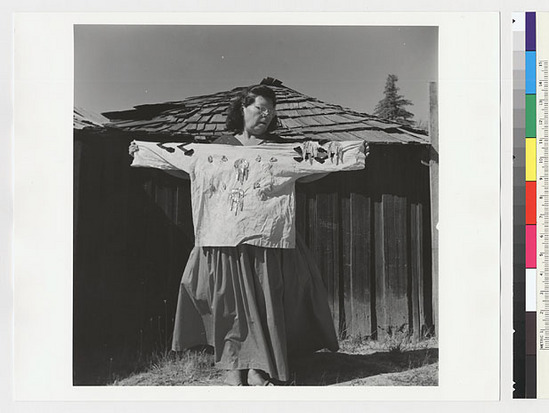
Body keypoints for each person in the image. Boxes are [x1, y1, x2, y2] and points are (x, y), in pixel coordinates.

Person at [129, 85, 367, 386]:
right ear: (242, 109)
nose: (265, 116)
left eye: (270, 112)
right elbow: (189, 169)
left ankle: (258, 369)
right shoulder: (219, 146)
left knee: (265, 304)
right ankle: (232, 367)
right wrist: (146, 155)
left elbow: (310, 171)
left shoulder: (280, 149)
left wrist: (339, 161)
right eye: (259, 109)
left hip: (265, 241)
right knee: (228, 305)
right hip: (224, 241)